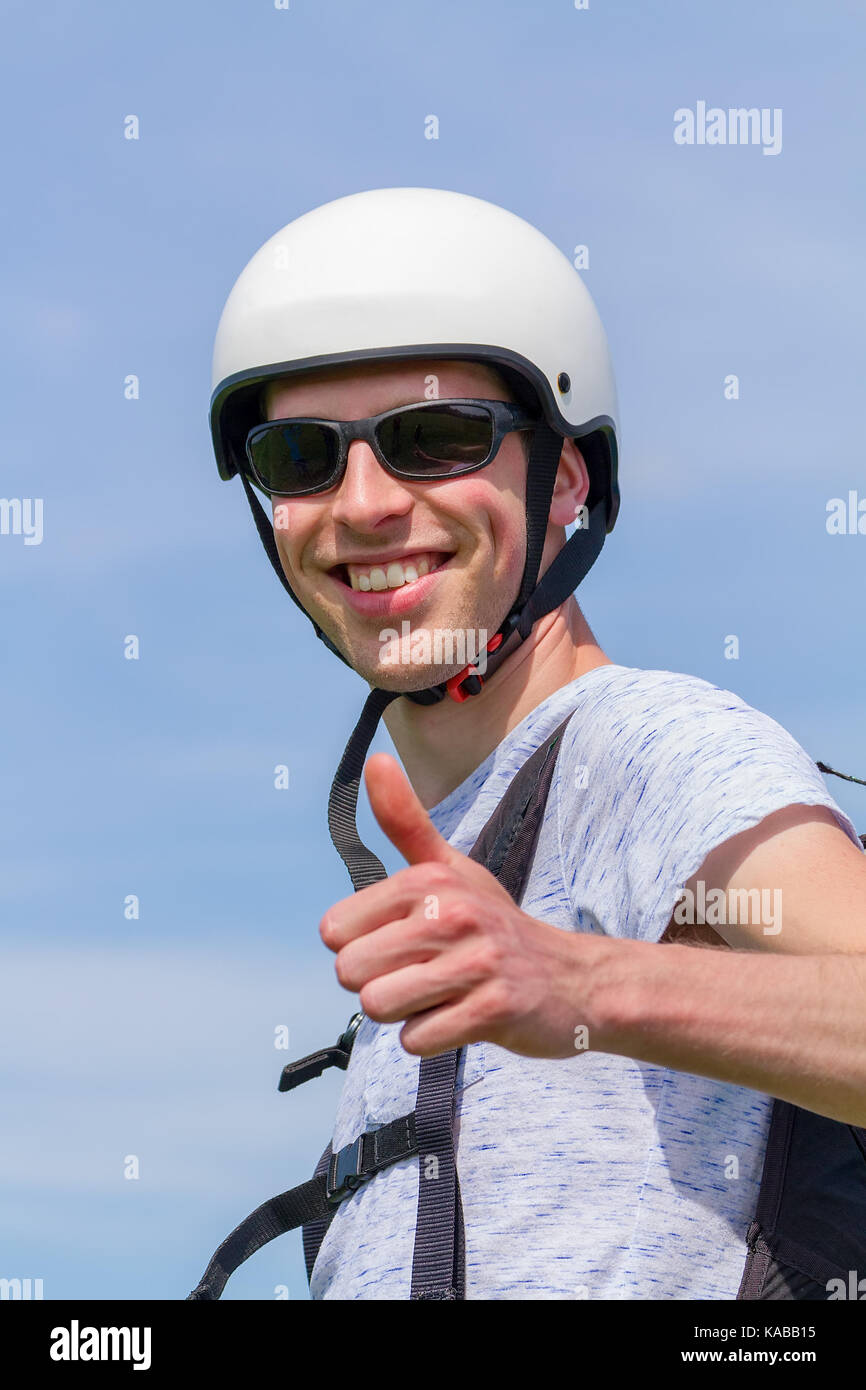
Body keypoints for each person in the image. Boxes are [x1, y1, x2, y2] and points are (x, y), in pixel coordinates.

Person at [206, 187, 866, 1300]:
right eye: (300, 455)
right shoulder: (456, 852)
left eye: (431, 438)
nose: (361, 502)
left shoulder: (644, 746)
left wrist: (580, 981)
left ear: (565, 477)